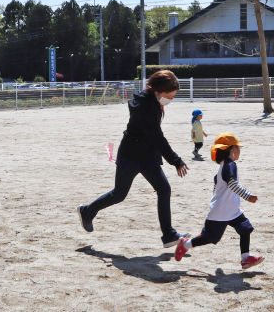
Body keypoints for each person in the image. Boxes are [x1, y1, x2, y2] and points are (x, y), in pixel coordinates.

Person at [77, 70, 190, 248]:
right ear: (159, 91)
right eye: (170, 96)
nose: (171, 99)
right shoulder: (146, 105)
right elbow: (157, 137)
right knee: (119, 194)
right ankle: (87, 211)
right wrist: (176, 160)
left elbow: (155, 138)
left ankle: (168, 235)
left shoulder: (152, 101)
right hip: (130, 155)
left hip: (148, 157)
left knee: (164, 190)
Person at [175, 133, 264, 270]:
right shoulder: (230, 165)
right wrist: (248, 196)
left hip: (231, 210)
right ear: (231, 149)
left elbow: (216, 188)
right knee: (210, 237)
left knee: (245, 229)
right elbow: (232, 184)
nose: (239, 151)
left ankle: (245, 259)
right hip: (221, 211)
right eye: (238, 148)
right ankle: (185, 244)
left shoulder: (223, 167)